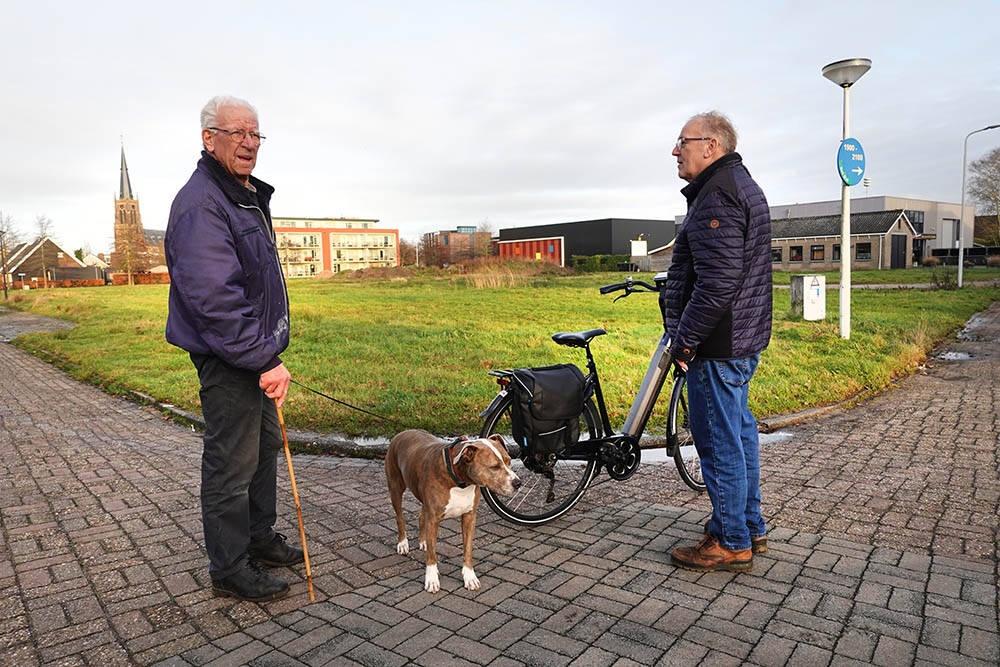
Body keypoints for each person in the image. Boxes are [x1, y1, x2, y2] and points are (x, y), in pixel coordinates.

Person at [165, 95, 302, 601]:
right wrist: (263, 358)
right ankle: (229, 568)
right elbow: (214, 297)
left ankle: (259, 539)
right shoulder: (202, 203)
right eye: (237, 133)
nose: (249, 143)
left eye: (256, 134)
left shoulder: (242, 194)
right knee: (231, 462)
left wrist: (267, 351)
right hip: (231, 357)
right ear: (209, 138)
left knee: (263, 450)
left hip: (252, 352)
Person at [664, 111, 772, 572]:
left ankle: (731, 541)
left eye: (682, 142)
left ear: (711, 146)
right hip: (742, 337)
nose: (675, 151)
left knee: (718, 441)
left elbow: (718, 282)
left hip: (718, 342)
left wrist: (685, 340)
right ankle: (748, 524)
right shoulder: (739, 185)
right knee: (740, 433)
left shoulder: (717, 196)